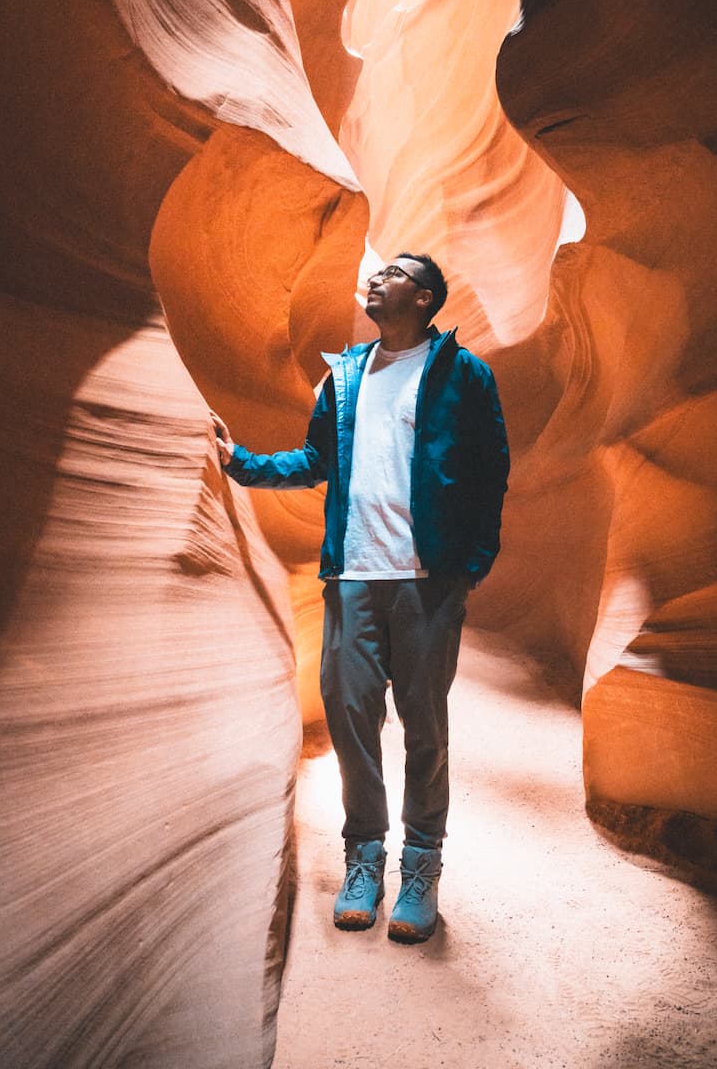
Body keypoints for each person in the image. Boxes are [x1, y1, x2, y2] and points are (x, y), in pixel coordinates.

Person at [211, 253, 509, 943]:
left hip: (427, 582)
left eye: (394, 272)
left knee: (425, 728)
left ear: (424, 297)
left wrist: (472, 565)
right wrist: (242, 463)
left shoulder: (462, 374)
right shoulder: (343, 375)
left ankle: (422, 866)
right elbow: (315, 461)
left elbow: (491, 470)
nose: (376, 276)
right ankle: (365, 859)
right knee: (352, 724)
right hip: (351, 578)